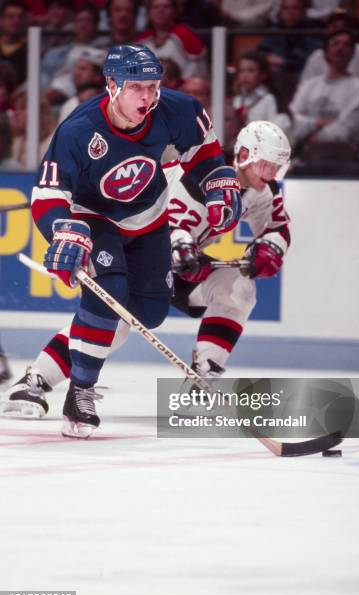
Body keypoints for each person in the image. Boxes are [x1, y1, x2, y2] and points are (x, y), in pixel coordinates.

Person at [13, 43, 241, 438]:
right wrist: (63, 230)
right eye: (138, 87)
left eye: (153, 87)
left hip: (150, 219)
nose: (148, 97)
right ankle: (79, 392)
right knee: (108, 295)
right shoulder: (78, 129)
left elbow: (204, 152)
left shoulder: (177, 109)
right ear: (112, 85)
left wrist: (219, 183)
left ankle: (43, 371)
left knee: (148, 312)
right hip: (96, 219)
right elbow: (47, 196)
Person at [0, 121, 290, 414]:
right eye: (267, 164)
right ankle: (33, 381)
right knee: (111, 326)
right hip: (134, 257)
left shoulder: (263, 190)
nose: (272, 174)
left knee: (238, 287)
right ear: (243, 155)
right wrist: (181, 249)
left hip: (176, 268)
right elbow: (164, 230)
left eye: (276, 167)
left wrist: (271, 247)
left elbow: (278, 226)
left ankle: (204, 377)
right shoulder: (193, 178)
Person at [290, 29, 359, 162]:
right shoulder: (309, 86)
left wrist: (312, 133)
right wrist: (318, 122)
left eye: (346, 45)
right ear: (326, 51)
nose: (340, 48)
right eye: (335, 43)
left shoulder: (358, 88)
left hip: (346, 159)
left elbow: (345, 131)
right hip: (305, 157)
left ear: (352, 53)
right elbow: (292, 121)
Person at [300, 9, 359, 96]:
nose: (339, 30)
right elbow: (304, 90)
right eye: (334, 26)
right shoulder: (316, 56)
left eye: (343, 26)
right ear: (326, 30)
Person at [136, 0, 209, 79]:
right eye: (155, 7)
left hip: (180, 90)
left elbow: (197, 73)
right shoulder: (142, 40)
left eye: (166, 7)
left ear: (175, 12)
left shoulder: (187, 36)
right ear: (148, 13)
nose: (160, 10)